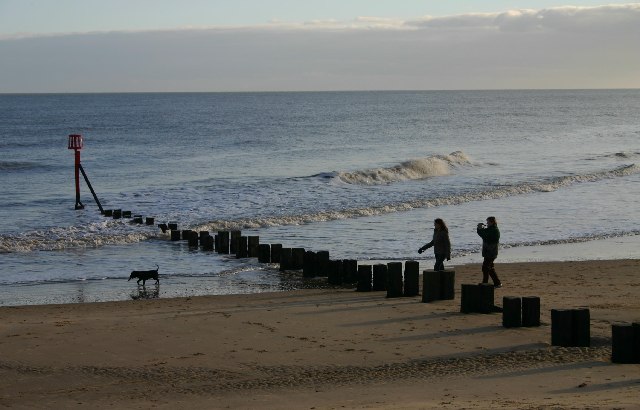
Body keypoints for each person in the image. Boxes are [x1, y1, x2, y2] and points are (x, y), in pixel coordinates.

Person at [477, 216, 502, 288]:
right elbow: (484, 233)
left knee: (485, 268)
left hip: (491, 252)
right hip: (490, 252)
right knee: (490, 268)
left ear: (491, 222)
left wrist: (479, 229)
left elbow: (484, 235)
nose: (487, 223)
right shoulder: (491, 229)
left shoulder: (494, 230)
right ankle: (497, 283)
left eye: (488, 222)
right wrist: (479, 228)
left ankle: (485, 283)